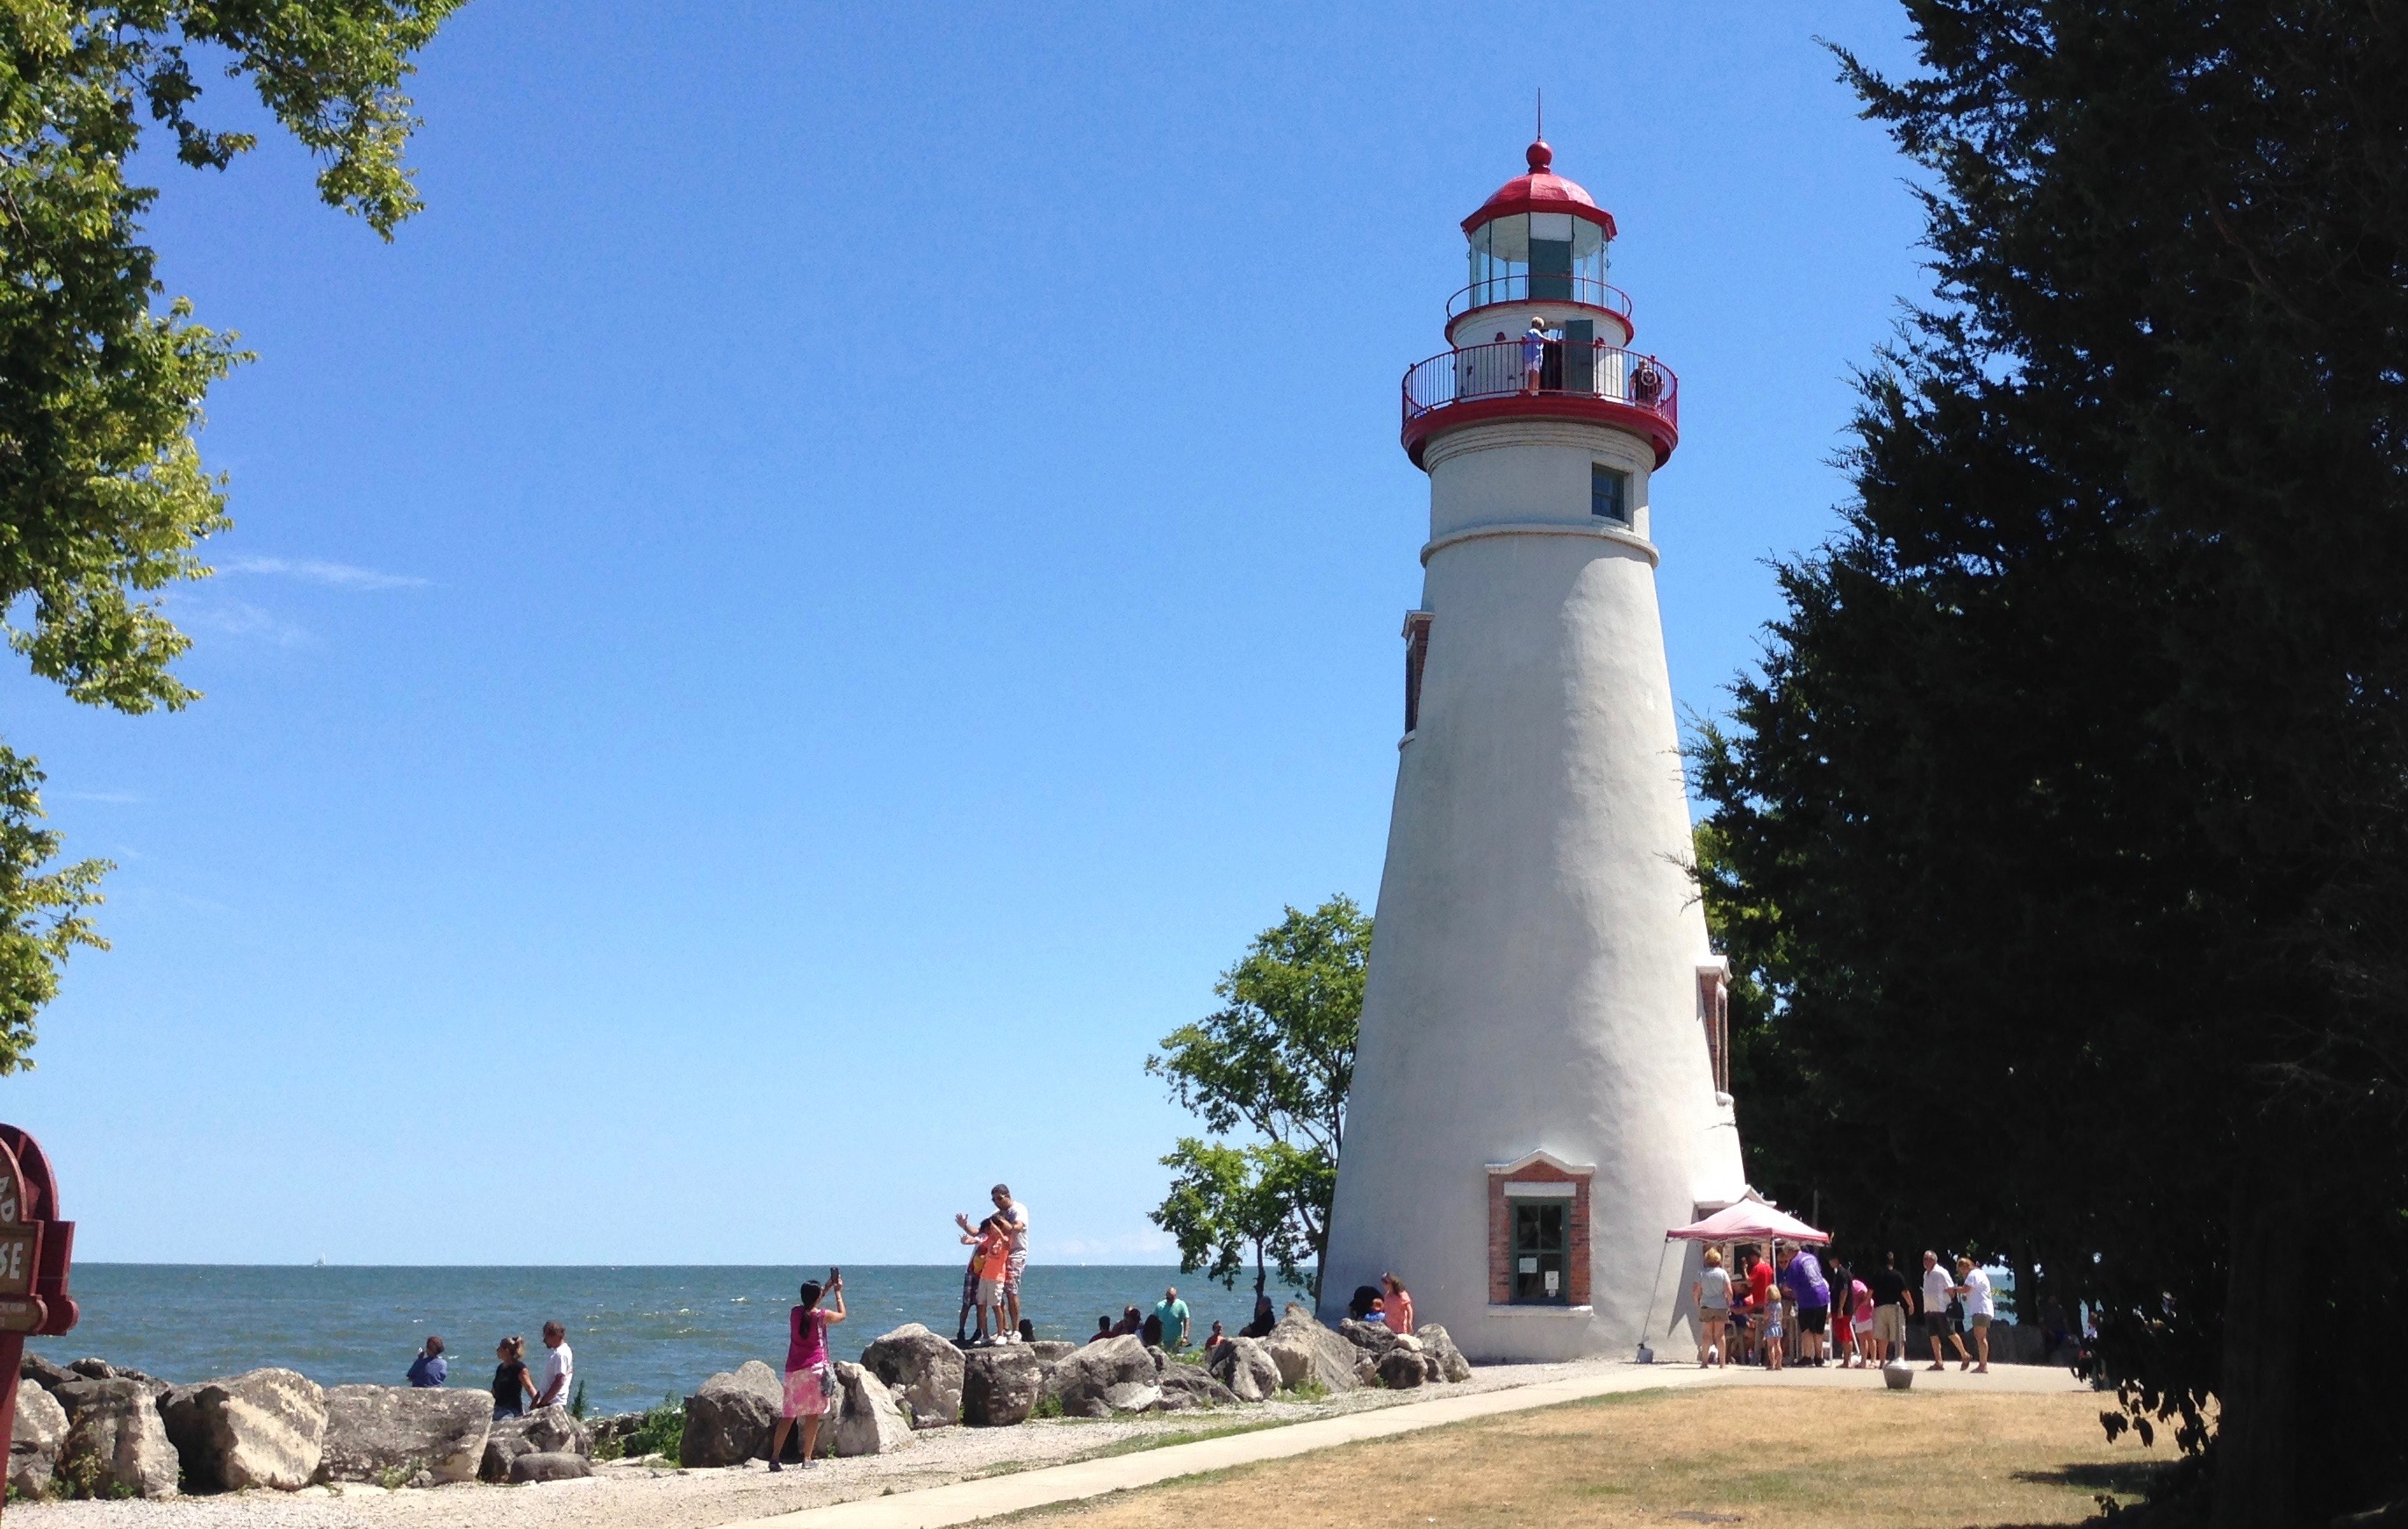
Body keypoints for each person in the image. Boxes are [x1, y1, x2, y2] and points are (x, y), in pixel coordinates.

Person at [768, 1274, 847, 1471]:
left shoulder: (794, 1313)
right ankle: (807, 1458)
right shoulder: (821, 1317)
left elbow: (808, 1307)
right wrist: (837, 1292)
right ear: (817, 1296)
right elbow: (842, 1315)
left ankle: (775, 1458)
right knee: (812, 1415)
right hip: (815, 1369)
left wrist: (825, 1288)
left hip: (793, 1371)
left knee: (788, 1415)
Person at [958, 1185, 1031, 1340]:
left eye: (999, 1198)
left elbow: (1017, 1227)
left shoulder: (1018, 1209)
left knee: (1011, 1290)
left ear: (1007, 1195)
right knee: (997, 1294)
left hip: (1014, 1253)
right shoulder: (996, 1214)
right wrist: (965, 1226)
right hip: (997, 1257)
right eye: (994, 1200)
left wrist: (1004, 1226)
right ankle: (1003, 1329)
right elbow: (981, 1233)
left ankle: (1016, 1331)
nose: (996, 1202)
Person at [959, 1214, 1012, 1345]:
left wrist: (997, 1228)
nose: (989, 1231)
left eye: (991, 1228)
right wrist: (966, 1240)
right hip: (984, 1277)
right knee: (981, 1305)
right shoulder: (988, 1240)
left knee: (996, 1305)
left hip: (997, 1278)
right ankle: (985, 1335)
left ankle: (1001, 1334)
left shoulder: (1005, 1239)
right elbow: (977, 1239)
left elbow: (1006, 1244)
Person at [1781, 1241, 1831, 1366]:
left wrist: (1784, 1287)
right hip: (1823, 1296)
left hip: (1808, 1299)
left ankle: (1807, 1356)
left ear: (1790, 1252)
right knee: (1819, 1329)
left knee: (1807, 1328)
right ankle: (1819, 1358)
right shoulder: (1812, 1257)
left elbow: (1790, 1285)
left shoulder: (1795, 1263)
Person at [1922, 1251, 1967, 1370]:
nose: (1925, 1261)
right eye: (1924, 1259)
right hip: (1929, 1309)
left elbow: (1951, 1289)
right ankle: (1938, 1362)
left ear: (1934, 1260)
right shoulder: (1926, 1274)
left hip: (1941, 1309)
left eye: (1927, 1259)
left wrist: (1949, 1298)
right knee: (1933, 1335)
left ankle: (1964, 1354)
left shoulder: (1941, 1272)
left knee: (1950, 1333)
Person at [1952, 1256, 1995, 1373]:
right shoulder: (1979, 1274)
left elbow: (1966, 1289)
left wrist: (1953, 1289)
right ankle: (1982, 1364)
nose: (1962, 1273)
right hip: (1983, 1309)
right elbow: (1968, 1293)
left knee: (1981, 1338)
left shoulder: (1973, 1274)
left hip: (1980, 1309)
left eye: (1962, 1270)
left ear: (1966, 1267)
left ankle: (1983, 1365)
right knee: (1981, 1337)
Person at [1868, 1252, 1912, 1364]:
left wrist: (1866, 1304)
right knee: (1898, 1337)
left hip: (1880, 1308)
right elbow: (1905, 1292)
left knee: (1882, 1337)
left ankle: (1882, 1362)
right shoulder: (1898, 1275)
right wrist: (1911, 1305)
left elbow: (1870, 1293)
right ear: (1892, 1262)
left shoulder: (1877, 1275)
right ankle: (1900, 1360)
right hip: (1895, 1308)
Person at [1692, 1247, 1731, 1367]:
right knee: (1720, 1334)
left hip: (1706, 1305)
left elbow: (1695, 1291)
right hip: (1720, 1306)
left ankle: (1704, 1362)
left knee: (1706, 1335)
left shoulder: (1701, 1273)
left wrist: (1698, 1303)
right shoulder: (1723, 1273)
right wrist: (1728, 1303)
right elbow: (1729, 1292)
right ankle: (1722, 1363)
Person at [490, 1337, 535, 1420]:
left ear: (506, 1351)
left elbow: (529, 1388)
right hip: (497, 1408)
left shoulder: (519, 1368)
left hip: (511, 1411)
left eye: (500, 1348)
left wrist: (538, 1404)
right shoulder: (500, 1368)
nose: (497, 1350)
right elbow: (493, 1391)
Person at [1745, 1245, 1776, 1366]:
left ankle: (1756, 1358)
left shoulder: (1757, 1268)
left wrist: (1744, 1269)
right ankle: (1767, 1359)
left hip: (1759, 1303)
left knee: (1759, 1333)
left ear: (1754, 1257)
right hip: (1768, 1302)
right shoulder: (1768, 1267)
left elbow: (1749, 1283)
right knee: (1768, 1331)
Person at [533, 1321, 574, 1410]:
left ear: (556, 1336)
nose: (544, 1340)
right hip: (549, 1402)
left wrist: (543, 1402)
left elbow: (560, 1380)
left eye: (546, 1337)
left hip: (554, 1403)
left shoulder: (561, 1354)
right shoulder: (558, 1353)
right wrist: (538, 1398)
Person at [1155, 1286, 1192, 1350]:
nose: (1169, 1300)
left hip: (1176, 1338)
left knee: (1175, 1356)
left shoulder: (1181, 1304)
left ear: (1175, 1296)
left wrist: (1185, 1336)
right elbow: (1154, 1320)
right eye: (1168, 1298)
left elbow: (1186, 1319)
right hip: (1162, 1338)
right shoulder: (1160, 1305)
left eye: (1171, 1298)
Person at [1520, 316, 1549, 394]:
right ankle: (1530, 392)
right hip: (1534, 356)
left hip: (1528, 356)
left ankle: (1530, 392)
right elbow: (1542, 339)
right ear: (1539, 325)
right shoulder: (1535, 331)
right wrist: (1553, 341)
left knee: (1532, 374)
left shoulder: (1528, 332)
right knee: (1534, 375)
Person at [1380, 1274, 1415, 1338]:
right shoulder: (1387, 1296)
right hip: (1390, 1327)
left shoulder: (1401, 1295)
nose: (1384, 1286)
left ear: (1391, 1284)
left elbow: (1409, 1310)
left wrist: (1409, 1323)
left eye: (1386, 1283)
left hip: (1400, 1327)